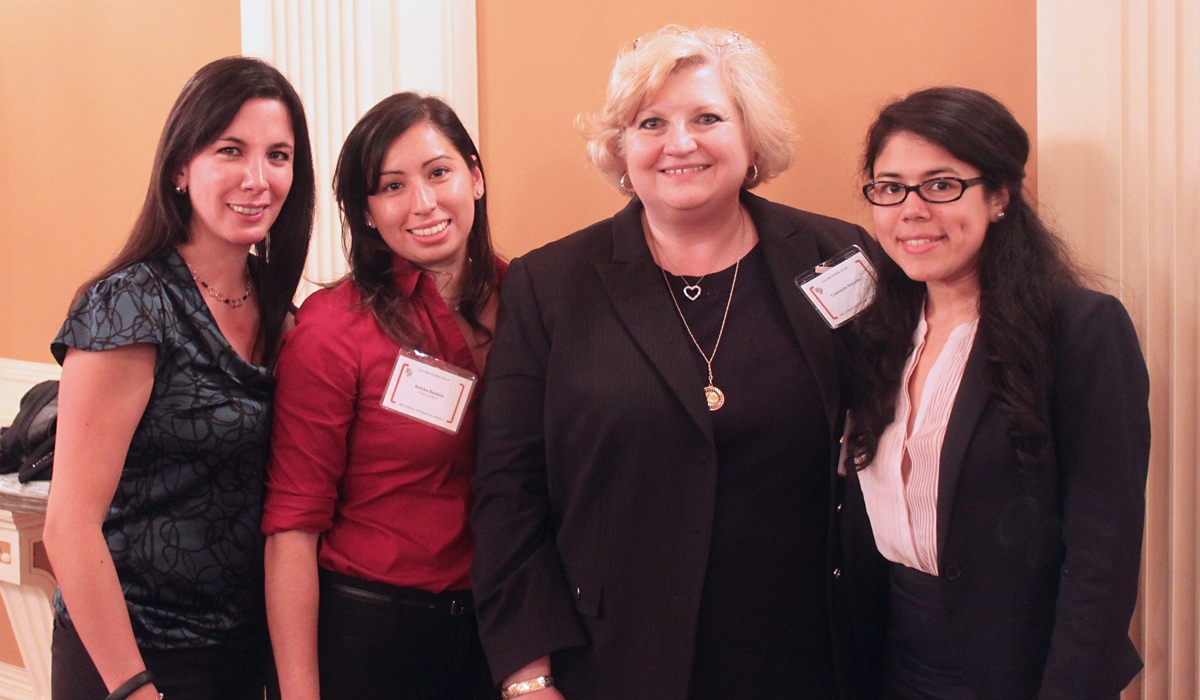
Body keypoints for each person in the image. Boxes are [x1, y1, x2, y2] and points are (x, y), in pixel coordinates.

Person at [470, 25, 876, 700]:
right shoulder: (549, 285)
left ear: (750, 138)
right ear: (621, 150)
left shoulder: (839, 258)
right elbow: (508, 493)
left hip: (808, 656)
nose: (680, 142)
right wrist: (525, 672)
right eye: (650, 122)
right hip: (610, 662)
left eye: (707, 117)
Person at [840, 87, 1150, 700]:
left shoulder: (1080, 330)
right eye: (890, 186)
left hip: (1018, 669)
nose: (911, 209)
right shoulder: (874, 332)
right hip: (890, 660)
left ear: (1000, 196)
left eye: (941, 185)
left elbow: (1102, 557)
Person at [42, 56, 315, 700]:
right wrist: (135, 688)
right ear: (180, 168)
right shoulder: (129, 304)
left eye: (278, 155)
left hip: (245, 656)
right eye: (230, 150)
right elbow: (69, 528)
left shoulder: (284, 313)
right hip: (132, 656)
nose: (258, 178)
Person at [261, 92, 504, 700]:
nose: (422, 203)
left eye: (439, 172)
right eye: (391, 187)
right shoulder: (332, 330)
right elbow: (293, 525)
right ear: (366, 213)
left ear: (475, 177)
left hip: (504, 629)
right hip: (375, 637)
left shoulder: (536, 301)